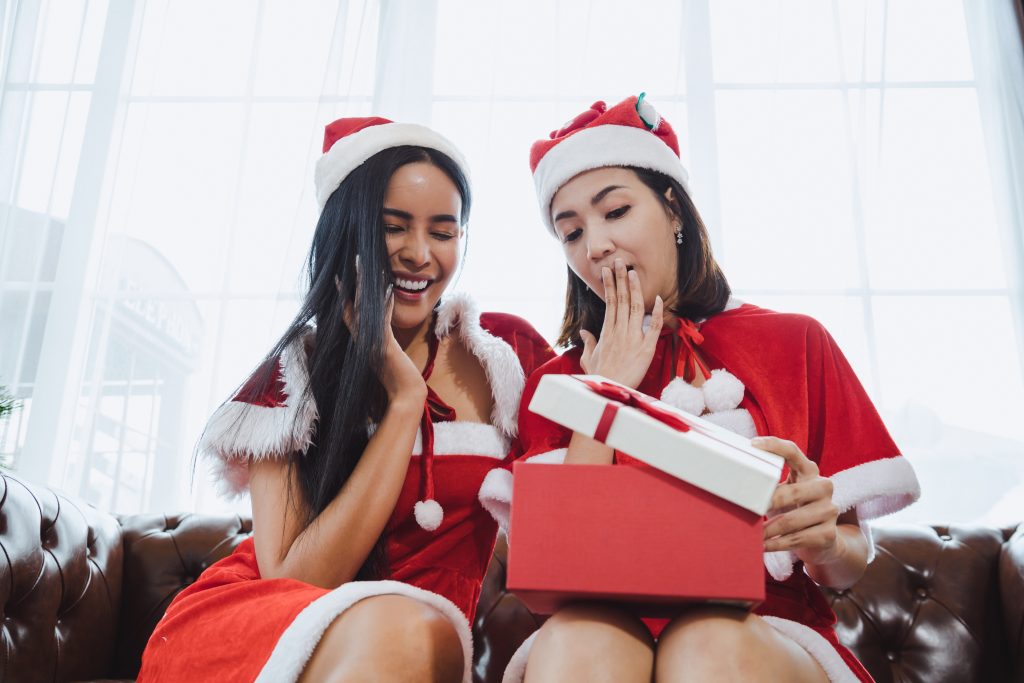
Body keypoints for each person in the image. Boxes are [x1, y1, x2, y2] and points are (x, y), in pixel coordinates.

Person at [485, 95, 920, 683]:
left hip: (769, 631)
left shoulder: (796, 342)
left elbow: (847, 564)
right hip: (600, 626)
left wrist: (821, 543)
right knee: (577, 643)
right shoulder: (556, 384)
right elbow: (556, 573)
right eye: (571, 232)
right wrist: (602, 392)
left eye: (616, 211)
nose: (595, 246)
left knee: (707, 643)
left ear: (674, 210)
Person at [137, 116, 553, 683]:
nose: (419, 254)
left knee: (417, 633)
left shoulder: (503, 355)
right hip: (263, 631)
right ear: (347, 233)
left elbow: (577, 511)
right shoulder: (291, 378)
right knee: (407, 632)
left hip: (422, 639)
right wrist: (404, 401)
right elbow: (299, 581)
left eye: (443, 232)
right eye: (393, 227)